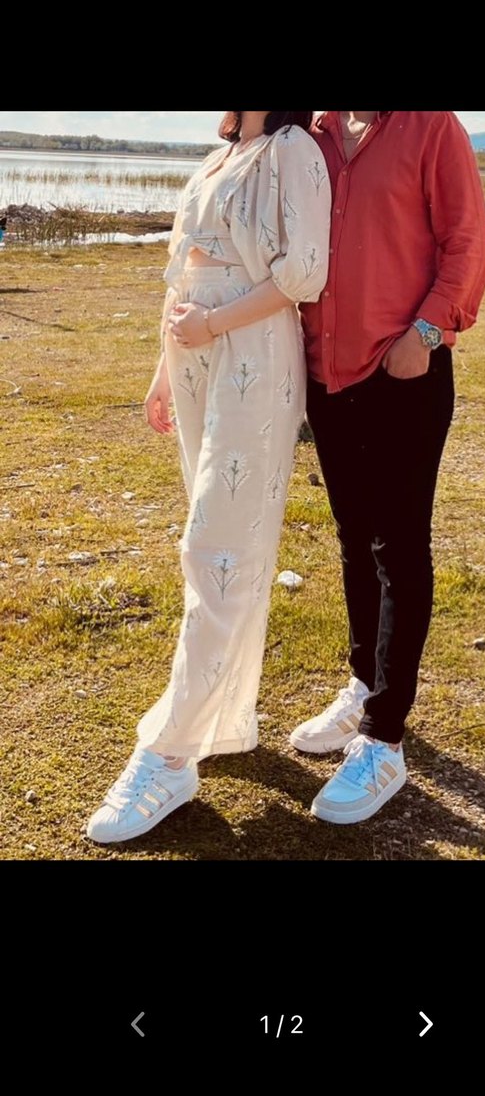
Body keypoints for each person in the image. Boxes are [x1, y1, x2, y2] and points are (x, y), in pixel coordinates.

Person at [87, 111, 331, 844]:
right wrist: (163, 368)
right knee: (224, 546)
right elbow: (185, 267)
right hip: (193, 355)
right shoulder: (220, 155)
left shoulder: (292, 148)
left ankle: (169, 754)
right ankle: (225, 717)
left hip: (250, 353)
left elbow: (302, 274)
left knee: (215, 545)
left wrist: (212, 328)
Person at [290, 110, 485, 825]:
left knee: (398, 548)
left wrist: (425, 334)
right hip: (328, 377)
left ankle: (383, 739)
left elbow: (467, 242)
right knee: (354, 538)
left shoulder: (432, 127)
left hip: (404, 373)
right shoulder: (313, 134)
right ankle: (361, 686)